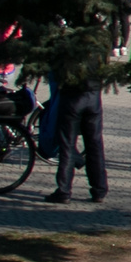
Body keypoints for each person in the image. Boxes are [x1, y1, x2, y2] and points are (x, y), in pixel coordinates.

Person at [47, 69, 108, 203]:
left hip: (72, 95)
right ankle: (99, 190)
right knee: (95, 144)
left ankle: (64, 190)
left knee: (67, 144)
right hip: (93, 94)